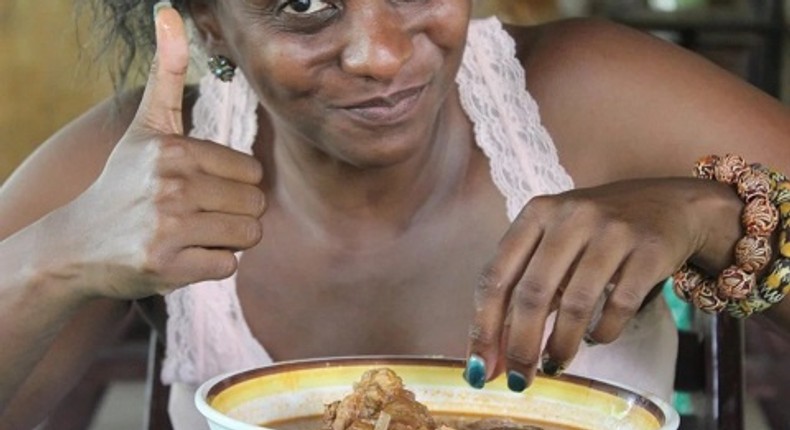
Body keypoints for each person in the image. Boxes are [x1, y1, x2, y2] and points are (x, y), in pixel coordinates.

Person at [2, 0, 790, 427]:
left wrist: (713, 218)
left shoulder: (593, 94)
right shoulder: (139, 162)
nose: (379, 52)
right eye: (304, 3)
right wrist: (52, 258)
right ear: (210, 23)